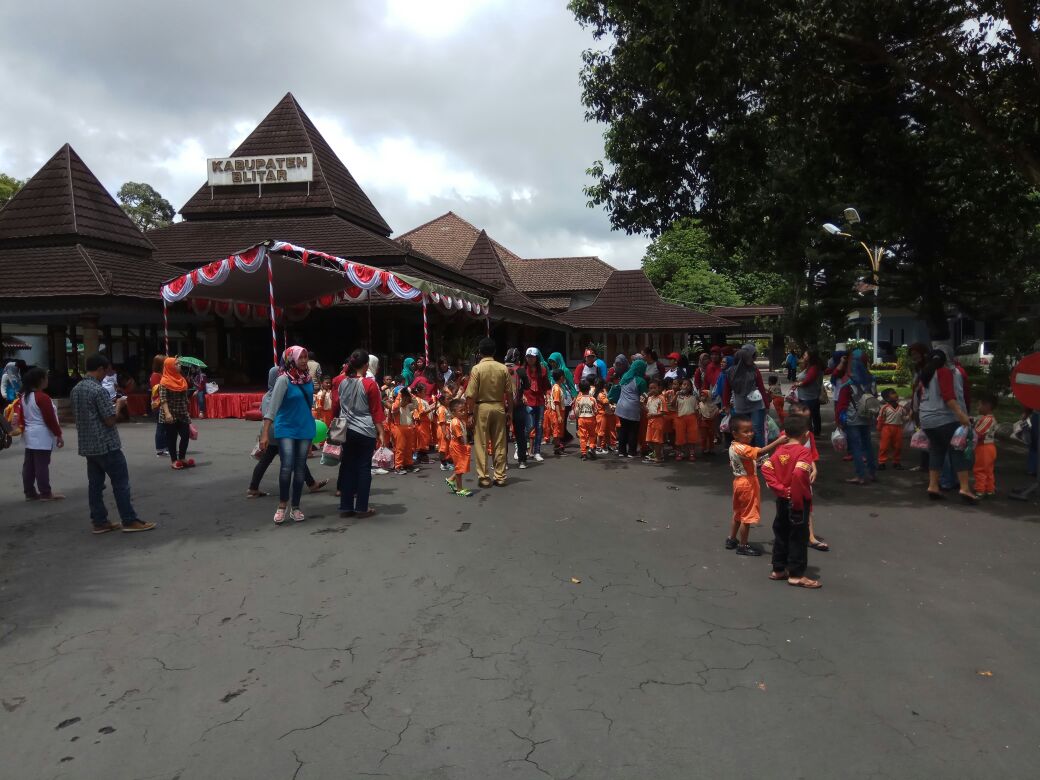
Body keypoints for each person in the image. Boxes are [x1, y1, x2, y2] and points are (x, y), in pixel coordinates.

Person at [70, 354, 155, 534]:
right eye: (106, 370)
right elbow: (110, 420)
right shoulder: (98, 390)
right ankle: (129, 519)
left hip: (88, 444)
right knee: (121, 483)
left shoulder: (76, 389)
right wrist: (118, 405)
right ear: (100, 369)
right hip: (106, 443)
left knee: (95, 485)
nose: (107, 375)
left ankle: (99, 521)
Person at [761, 415, 820, 588]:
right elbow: (799, 474)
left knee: (781, 533)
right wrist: (794, 496)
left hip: (782, 499)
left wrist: (780, 489)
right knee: (798, 537)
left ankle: (778, 568)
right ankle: (796, 574)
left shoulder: (779, 451)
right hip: (798, 500)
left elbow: (766, 468)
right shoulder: (803, 452)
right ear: (806, 434)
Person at [260, 346, 316, 524]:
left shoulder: (308, 380)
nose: (304, 361)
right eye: (301, 357)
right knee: (287, 466)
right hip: (285, 428)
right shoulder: (283, 380)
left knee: (300, 469)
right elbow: (272, 407)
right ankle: (282, 505)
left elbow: (308, 405)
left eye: (306, 357)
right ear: (292, 359)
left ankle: (296, 506)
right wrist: (265, 433)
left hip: (304, 428)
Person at [917, 348, 976, 503]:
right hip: (944, 419)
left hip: (926, 420)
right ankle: (964, 488)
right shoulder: (943, 372)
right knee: (958, 450)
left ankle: (933, 486)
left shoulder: (925, 374)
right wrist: (962, 415)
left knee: (936, 451)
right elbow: (948, 397)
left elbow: (917, 395)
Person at [726, 415, 787, 556]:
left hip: (739, 482)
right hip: (747, 483)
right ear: (735, 433)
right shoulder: (743, 448)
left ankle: (732, 539)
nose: (750, 434)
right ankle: (743, 545)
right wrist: (777, 442)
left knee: (738, 513)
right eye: (745, 431)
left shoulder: (733, 446)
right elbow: (759, 452)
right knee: (746, 516)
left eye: (750, 430)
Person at [336, 349, 386, 519]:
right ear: (366, 365)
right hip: (365, 430)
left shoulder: (342, 383)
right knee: (364, 468)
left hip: (346, 430)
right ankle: (361, 508)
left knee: (348, 467)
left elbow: (338, 404)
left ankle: (345, 506)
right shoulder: (369, 384)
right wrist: (381, 432)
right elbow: (375, 411)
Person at [466, 337, 511, 487]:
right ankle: (500, 476)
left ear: (480, 352)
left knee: (481, 443)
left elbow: (470, 395)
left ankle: (484, 477)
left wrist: (470, 413)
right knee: (499, 442)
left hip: (482, 407)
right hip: (498, 406)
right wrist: (509, 411)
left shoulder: (477, 369)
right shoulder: (503, 368)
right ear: (494, 351)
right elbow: (509, 393)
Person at [19, 368, 65, 501]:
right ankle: (45, 492)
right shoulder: (42, 397)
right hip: (41, 434)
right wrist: (58, 434)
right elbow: (49, 419)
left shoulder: (24, 396)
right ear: (40, 380)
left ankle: (29, 492)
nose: (47, 380)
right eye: (46, 378)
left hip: (29, 433)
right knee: (41, 465)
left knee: (29, 465)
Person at [834, 349, 878, 485]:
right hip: (867, 416)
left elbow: (841, 405)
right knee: (868, 446)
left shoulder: (848, 382)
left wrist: (839, 422)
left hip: (852, 418)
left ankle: (860, 476)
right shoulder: (871, 380)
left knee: (856, 447)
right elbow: (875, 397)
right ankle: (872, 473)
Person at [722, 345, 769, 447]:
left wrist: (766, 405)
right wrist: (726, 405)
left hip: (756, 406)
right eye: (749, 357)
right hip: (740, 407)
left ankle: (760, 456)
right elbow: (727, 390)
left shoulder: (754, 370)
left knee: (757, 431)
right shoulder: (730, 372)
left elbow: (761, 388)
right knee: (743, 432)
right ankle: (746, 455)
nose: (751, 359)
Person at [158, 357, 194, 470]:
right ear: (170, 367)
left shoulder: (182, 379)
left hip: (182, 412)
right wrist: (167, 413)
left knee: (185, 435)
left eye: (179, 364)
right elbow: (163, 399)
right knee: (171, 438)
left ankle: (182, 457)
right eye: (176, 364)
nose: (179, 366)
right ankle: (174, 460)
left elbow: (185, 398)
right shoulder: (164, 381)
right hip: (170, 413)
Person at [610, 358, 647, 458]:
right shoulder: (641, 381)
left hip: (621, 407)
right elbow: (644, 396)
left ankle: (621, 451)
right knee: (633, 430)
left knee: (623, 429)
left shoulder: (625, 376)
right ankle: (631, 452)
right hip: (633, 408)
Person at [505, 348, 530, 469]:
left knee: (503, 435)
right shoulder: (520, 370)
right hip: (518, 405)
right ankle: (522, 461)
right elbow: (527, 386)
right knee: (520, 434)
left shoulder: (501, 369)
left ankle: (503, 462)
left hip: (504, 406)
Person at [522, 348, 549, 462]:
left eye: (532, 357)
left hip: (539, 401)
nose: (530, 359)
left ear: (536, 358)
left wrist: (548, 395)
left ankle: (537, 451)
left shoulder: (542, 370)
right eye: (528, 356)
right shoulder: (522, 370)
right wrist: (521, 395)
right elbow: (519, 385)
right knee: (528, 427)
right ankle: (523, 449)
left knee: (539, 427)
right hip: (527, 400)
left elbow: (546, 385)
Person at [791, 351, 824, 436]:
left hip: (809, 397)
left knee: (808, 416)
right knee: (814, 415)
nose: (803, 356)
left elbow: (808, 380)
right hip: (807, 396)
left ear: (810, 356)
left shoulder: (814, 368)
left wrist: (798, 384)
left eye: (805, 354)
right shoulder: (810, 366)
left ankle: (810, 434)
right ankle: (813, 433)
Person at [973, 392, 998, 497]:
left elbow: (978, 433)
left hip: (983, 447)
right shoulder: (990, 418)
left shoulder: (986, 419)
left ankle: (980, 489)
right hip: (990, 447)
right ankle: (990, 489)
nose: (978, 407)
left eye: (979, 405)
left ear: (987, 405)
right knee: (988, 469)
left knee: (979, 469)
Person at [447, 398, 473, 496]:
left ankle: (451, 480)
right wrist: (466, 446)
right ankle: (459, 489)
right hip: (457, 446)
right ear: (453, 412)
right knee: (460, 467)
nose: (463, 412)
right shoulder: (455, 422)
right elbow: (460, 437)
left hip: (459, 446)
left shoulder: (461, 420)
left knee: (461, 466)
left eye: (464, 410)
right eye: (460, 411)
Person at [548, 352, 576, 445]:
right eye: (551, 362)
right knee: (556, 422)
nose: (552, 364)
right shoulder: (552, 371)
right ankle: (561, 439)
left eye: (554, 362)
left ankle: (564, 439)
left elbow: (571, 385)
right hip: (555, 399)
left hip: (565, 400)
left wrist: (575, 397)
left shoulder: (565, 370)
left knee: (561, 422)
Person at [876, 388, 907, 470]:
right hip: (887, 428)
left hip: (898, 428)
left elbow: (904, 417)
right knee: (884, 446)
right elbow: (880, 419)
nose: (895, 394)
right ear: (887, 398)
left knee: (898, 446)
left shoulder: (901, 407)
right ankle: (881, 462)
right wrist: (879, 429)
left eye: (895, 392)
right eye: (892, 393)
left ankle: (896, 462)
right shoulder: (884, 408)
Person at [390, 387, 419, 474]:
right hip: (399, 429)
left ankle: (408, 465)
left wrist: (410, 394)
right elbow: (395, 407)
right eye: (404, 398)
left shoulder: (408, 406)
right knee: (400, 448)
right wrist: (399, 394)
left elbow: (416, 405)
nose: (406, 400)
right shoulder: (396, 406)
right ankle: (398, 466)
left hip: (409, 429)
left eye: (407, 398)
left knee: (408, 449)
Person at [573, 380, 599, 461]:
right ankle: (591, 447)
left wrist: (578, 417)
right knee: (592, 435)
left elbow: (576, 411)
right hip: (591, 419)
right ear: (589, 389)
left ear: (580, 389)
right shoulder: (592, 399)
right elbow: (596, 410)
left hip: (581, 419)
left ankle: (584, 453)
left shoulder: (578, 399)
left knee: (583, 436)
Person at [674, 378, 698, 462]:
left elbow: (696, 410)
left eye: (688, 385)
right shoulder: (678, 397)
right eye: (684, 384)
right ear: (681, 386)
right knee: (680, 436)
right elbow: (673, 405)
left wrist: (697, 419)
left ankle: (691, 453)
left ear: (691, 387)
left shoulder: (693, 397)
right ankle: (679, 453)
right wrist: (676, 395)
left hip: (691, 418)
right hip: (680, 418)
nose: (686, 386)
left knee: (692, 436)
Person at [148, 354, 168, 457]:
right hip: (158, 404)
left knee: (165, 427)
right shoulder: (156, 375)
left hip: (161, 403)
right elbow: (158, 390)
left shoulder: (160, 374)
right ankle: (160, 449)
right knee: (161, 427)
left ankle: (166, 447)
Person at [643, 379, 666, 463]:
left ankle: (658, 457)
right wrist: (642, 404)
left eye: (654, 388)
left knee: (657, 440)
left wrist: (653, 415)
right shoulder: (649, 398)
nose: (652, 390)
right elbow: (648, 409)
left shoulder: (661, 398)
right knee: (649, 440)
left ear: (659, 388)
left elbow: (663, 412)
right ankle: (656, 454)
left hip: (658, 422)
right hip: (650, 421)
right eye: (650, 388)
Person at [547, 369, 567, 456]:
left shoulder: (558, 387)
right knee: (557, 430)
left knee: (559, 430)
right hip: (556, 412)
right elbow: (556, 402)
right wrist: (559, 415)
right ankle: (557, 448)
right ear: (561, 377)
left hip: (559, 411)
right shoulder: (557, 389)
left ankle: (558, 448)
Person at [594, 377, 616, 454]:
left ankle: (607, 445)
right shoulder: (601, 395)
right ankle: (598, 448)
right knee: (601, 432)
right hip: (602, 415)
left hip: (603, 415)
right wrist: (613, 408)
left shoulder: (597, 393)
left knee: (606, 431)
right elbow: (606, 404)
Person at [697, 390, 719, 456]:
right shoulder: (700, 405)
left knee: (711, 436)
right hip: (703, 422)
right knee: (703, 436)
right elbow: (698, 413)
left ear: (709, 397)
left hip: (711, 423)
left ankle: (711, 449)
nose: (702, 398)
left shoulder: (713, 405)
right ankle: (704, 448)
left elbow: (716, 412)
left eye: (704, 396)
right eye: (701, 396)